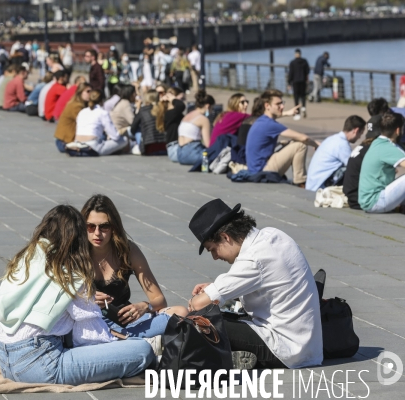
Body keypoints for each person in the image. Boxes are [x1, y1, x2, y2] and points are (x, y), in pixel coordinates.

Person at [0, 205, 154, 385]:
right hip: (42, 364)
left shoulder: (25, 258)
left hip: (6, 362)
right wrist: (123, 343)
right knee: (142, 350)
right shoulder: (69, 274)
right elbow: (91, 336)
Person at [188, 199, 323, 370]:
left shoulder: (253, 259)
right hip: (307, 344)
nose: (215, 257)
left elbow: (198, 304)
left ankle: (224, 358)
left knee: (200, 321)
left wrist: (196, 300)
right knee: (221, 314)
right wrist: (216, 288)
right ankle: (234, 355)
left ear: (225, 237)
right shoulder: (272, 235)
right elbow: (265, 282)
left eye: (213, 249)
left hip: (284, 348)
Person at [82, 195, 188, 338]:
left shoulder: (127, 251)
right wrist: (86, 298)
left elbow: (159, 299)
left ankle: (127, 340)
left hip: (126, 322)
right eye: (90, 226)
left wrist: (145, 306)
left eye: (104, 226)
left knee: (181, 312)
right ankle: (132, 341)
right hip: (89, 324)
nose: (97, 233)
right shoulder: (77, 253)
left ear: (114, 227)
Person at [245, 89, 320, 187]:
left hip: (254, 168)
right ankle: (301, 181)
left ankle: (299, 180)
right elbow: (303, 138)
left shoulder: (261, 120)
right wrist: (318, 144)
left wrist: (287, 113)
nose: (282, 106)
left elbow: (274, 116)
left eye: (282, 103)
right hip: (263, 171)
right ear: (267, 105)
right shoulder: (270, 124)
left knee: (289, 142)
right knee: (300, 144)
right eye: (278, 104)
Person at [358, 111, 405, 213]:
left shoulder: (378, 142)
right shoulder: (387, 147)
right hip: (375, 201)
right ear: (398, 130)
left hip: (369, 201)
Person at [305, 115, 366, 191]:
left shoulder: (333, 138)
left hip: (312, 184)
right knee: (353, 171)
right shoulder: (342, 144)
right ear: (356, 130)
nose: (360, 137)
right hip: (319, 188)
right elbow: (355, 167)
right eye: (361, 133)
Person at [72, 89, 128, 156]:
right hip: (93, 146)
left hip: (78, 143)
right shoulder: (102, 113)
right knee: (124, 140)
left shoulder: (82, 112)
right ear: (102, 101)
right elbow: (115, 136)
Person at [176, 91, 215, 165]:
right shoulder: (203, 119)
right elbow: (208, 144)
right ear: (207, 106)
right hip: (193, 152)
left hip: (180, 154)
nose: (211, 111)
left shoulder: (186, 116)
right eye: (212, 108)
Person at [54, 83, 92, 152]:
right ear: (80, 92)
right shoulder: (76, 106)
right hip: (65, 142)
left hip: (65, 140)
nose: (90, 94)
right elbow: (86, 123)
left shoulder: (78, 104)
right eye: (88, 91)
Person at [130, 90, 167, 156]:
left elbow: (133, 128)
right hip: (164, 145)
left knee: (138, 129)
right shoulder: (163, 109)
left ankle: (138, 146)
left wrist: (137, 110)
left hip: (149, 147)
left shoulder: (143, 110)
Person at [288, 49, 310, 120]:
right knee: (303, 95)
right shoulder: (304, 61)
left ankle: (297, 113)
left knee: (296, 97)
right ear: (300, 54)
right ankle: (303, 107)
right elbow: (308, 71)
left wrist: (289, 83)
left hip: (295, 81)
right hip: (303, 81)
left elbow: (291, 73)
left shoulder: (292, 63)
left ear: (295, 54)